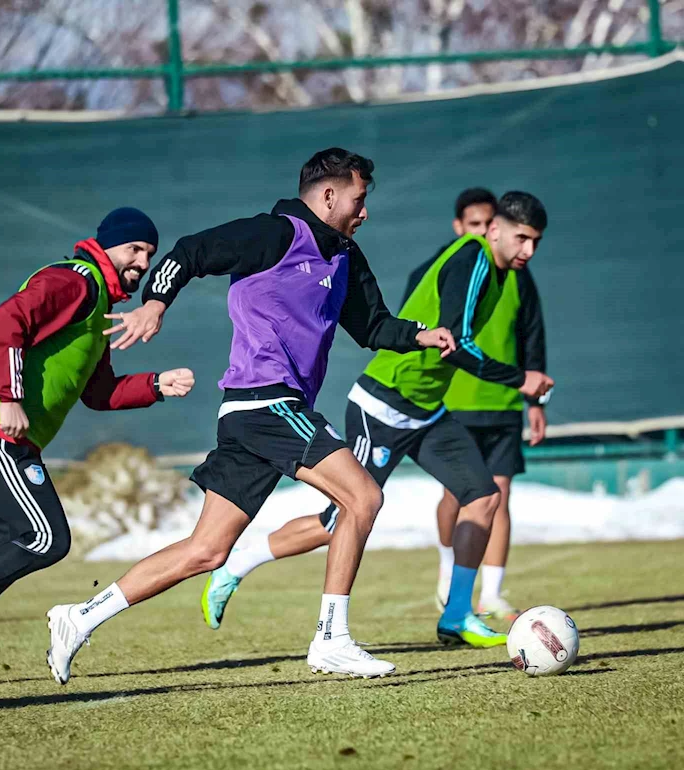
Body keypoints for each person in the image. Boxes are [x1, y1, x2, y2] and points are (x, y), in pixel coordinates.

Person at [45, 148, 455, 684]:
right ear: (329, 195)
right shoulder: (275, 233)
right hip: (267, 403)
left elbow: (373, 325)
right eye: (358, 200)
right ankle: (332, 640)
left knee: (206, 551)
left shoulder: (344, 256)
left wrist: (420, 335)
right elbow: (190, 253)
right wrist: (155, 303)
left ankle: (78, 617)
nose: (364, 211)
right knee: (363, 497)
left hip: (253, 415)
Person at [202, 191, 553, 649]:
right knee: (340, 518)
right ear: (495, 230)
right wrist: (520, 379)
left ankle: (457, 615)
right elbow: (456, 344)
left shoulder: (505, 273)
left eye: (536, 242)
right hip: (383, 405)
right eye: (522, 238)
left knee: (483, 497)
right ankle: (236, 565)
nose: (529, 250)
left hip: (427, 409)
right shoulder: (474, 259)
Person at [0, 208, 194, 689]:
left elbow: (99, 394)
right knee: (46, 539)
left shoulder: (97, 306)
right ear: (108, 245)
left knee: (2, 558)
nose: (143, 262)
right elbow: (6, 321)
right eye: (134, 249)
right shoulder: (77, 281)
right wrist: (9, 397)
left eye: (149, 253)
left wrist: (157, 384)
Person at [437, 190, 548, 622]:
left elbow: (532, 336)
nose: (483, 231)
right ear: (460, 227)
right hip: (455, 401)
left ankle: (492, 594)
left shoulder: (518, 275)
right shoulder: (451, 265)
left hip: (503, 404)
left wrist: (535, 400)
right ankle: (448, 576)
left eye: (488, 224)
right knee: (456, 495)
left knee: (498, 497)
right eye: (475, 225)